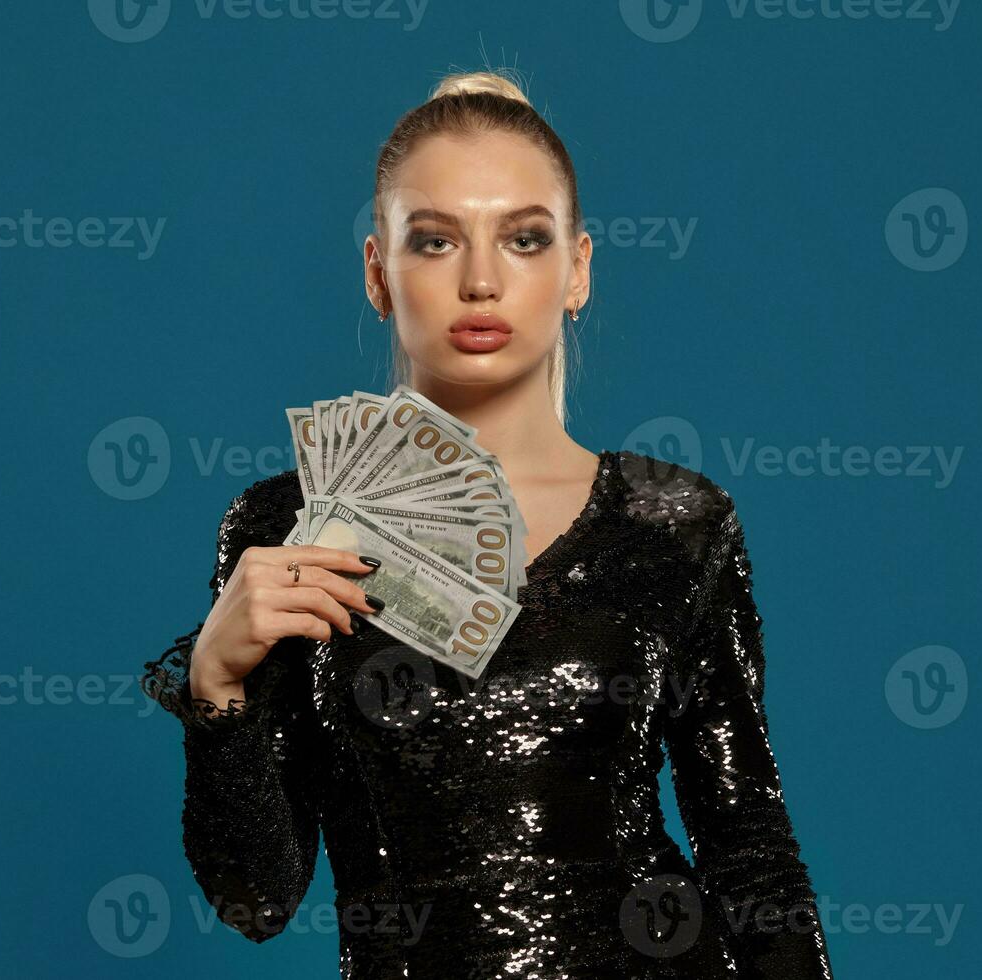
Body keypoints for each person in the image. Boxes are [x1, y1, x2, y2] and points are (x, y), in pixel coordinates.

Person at [142, 70, 835, 979]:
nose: (479, 280)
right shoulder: (289, 527)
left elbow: (749, 847)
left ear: (577, 270)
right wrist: (215, 685)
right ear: (377, 272)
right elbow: (255, 899)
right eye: (434, 241)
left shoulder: (676, 523)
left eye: (523, 238)